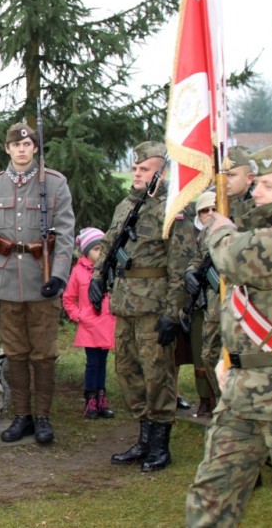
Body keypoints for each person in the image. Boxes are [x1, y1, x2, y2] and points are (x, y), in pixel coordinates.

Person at [185, 144, 272, 527]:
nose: (256, 192)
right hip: (242, 390)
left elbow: (239, 259)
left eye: (268, 186)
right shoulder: (260, 230)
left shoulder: (269, 239)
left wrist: (219, 228)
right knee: (211, 495)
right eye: (257, 184)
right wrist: (231, 357)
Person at [88, 141, 193, 472]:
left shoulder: (172, 210)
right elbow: (109, 243)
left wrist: (173, 313)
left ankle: (160, 445)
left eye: (144, 169)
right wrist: (97, 276)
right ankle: (144, 438)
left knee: (157, 374)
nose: (136, 173)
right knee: (128, 372)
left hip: (154, 307)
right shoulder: (126, 205)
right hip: (124, 304)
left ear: (162, 173)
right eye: (134, 168)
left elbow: (181, 266)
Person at [0, 122, 75, 444]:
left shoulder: (55, 184)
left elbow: (65, 235)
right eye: (16, 145)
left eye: (27, 144)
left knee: (43, 354)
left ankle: (43, 417)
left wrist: (59, 275)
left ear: (35, 148)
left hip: (41, 280)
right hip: (6, 282)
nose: (21, 149)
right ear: (7, 148)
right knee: (15, 353)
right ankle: (22, 416)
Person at [62, 227, 116, 419]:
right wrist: (79, 315)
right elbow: (68, 298)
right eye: (96, 249)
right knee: (92, 363)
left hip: (106, 325)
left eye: (103, 249)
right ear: (86, 252)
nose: (100, 253)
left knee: (103, 362)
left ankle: (101, 398)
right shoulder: (78, 271)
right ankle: (90, 399)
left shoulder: (110, 270)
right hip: (89, 327)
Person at [183, 190, 221, 417]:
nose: (210, 213)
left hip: (226, 304)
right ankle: (205, 398)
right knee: (202, 354)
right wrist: (190, 272)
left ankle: (221, 400)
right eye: (204, 210)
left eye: (214, 209)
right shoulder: (202, 235)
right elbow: (196, 260)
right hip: (201, 302)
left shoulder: (231, 231)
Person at [224, 145, 256, 220]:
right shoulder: (212, 200)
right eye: (221, 176)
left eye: (231, 175)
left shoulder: (260, 202)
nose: (224, 181)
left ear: (249, 178)